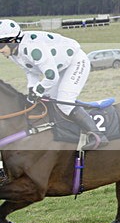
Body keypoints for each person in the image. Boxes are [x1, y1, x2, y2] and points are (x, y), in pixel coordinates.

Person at [0, 19, 109, 150]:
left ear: (12, 41)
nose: (0, 50)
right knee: (49, 100)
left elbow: (51, 76)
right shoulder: (14, 53)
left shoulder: (33, 49)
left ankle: (98, 135)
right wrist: (32, 90)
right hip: (58, 67)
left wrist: (37, 90)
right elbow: (30, 70)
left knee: (64, 101)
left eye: (1, 45)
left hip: (75, 62)